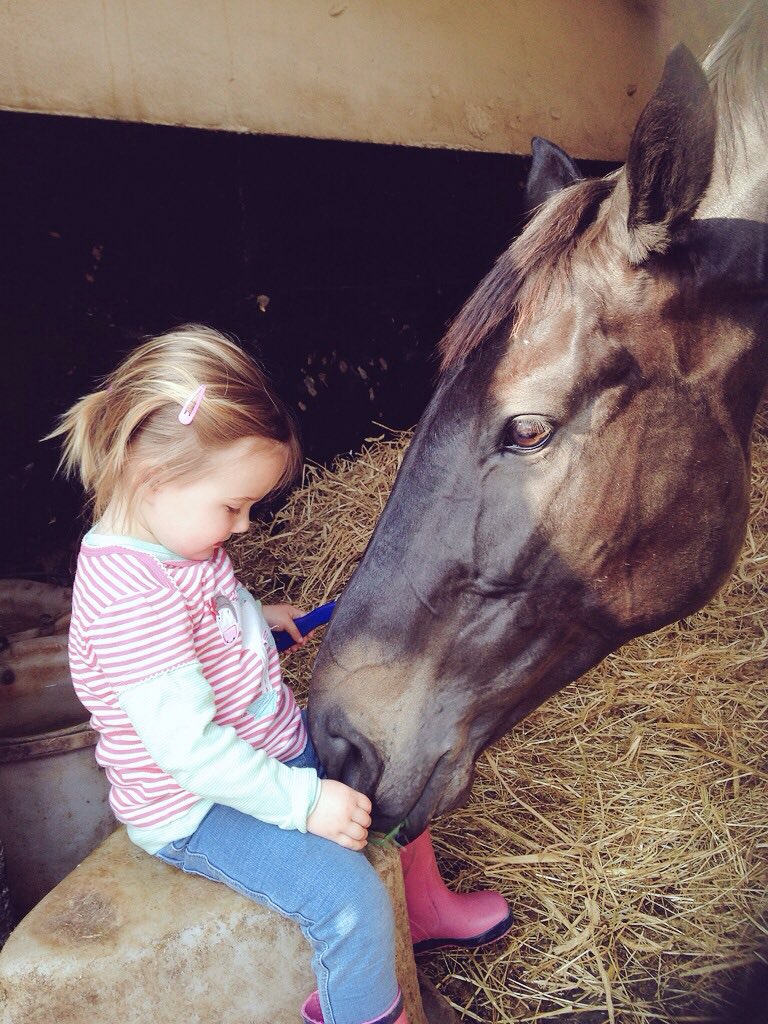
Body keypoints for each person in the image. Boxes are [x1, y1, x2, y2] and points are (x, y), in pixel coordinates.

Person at [49, 325, 511, 1024]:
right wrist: (303, 805)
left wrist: (256, 620)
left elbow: (199, 624)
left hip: (262, 751)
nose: (242, 526)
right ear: (151, 479)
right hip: (199, 806)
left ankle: (424, 911)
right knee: (345, 899)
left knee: (391, 764)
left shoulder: (172, 543)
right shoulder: (129, 597)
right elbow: (190, 752)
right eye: (232, 506)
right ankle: (361, 1009)